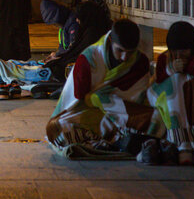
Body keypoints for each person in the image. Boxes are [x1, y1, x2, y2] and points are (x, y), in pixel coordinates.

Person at [46, 19, 163, 159]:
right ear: (110, 40)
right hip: (92, 115)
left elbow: (138, 98)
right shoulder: (90, 58)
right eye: (120, 50)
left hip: (124, 114)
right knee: (56, 127)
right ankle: (121, 143)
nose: (125, 57)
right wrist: (96, 100)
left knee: (158, 119)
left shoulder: (140, 61)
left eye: (130, 52)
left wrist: (105, 100)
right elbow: (78, 97)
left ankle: (107, 143)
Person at [147, 21, 194, 147]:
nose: (178, 56)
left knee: (179, 83)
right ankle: (178, 137)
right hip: (170, 106)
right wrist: (170, 70)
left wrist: (181, 75)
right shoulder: (166, 58)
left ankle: (185, 139)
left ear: (193, 47)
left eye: (183, 52)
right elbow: (156, 85)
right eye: (174, 52)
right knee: (175, 83)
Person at [42, 0, 112, 82]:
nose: (77, 20)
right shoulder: (86, 30)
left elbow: (83, 55)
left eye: (79, 18)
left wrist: (59, 59)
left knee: (55, 69)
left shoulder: (93, 34)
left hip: (91, 72)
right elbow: (75, 50)